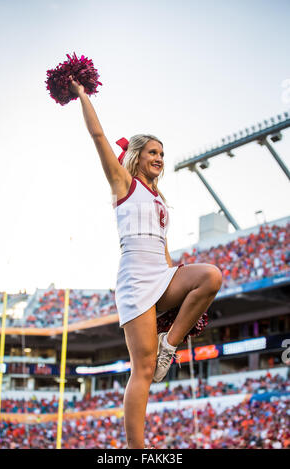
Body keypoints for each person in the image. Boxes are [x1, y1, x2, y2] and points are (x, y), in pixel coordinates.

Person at [69, 76, 223, 449]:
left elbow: (165, 252)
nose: (159, 159)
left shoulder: (160, 200)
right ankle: (137, 450)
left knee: (211, 276)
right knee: (143, 369)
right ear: (137, 156)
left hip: (161, 273)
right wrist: (82, 95)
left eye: (162, 154)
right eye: (153, 152)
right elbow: (99, 137)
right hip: (136, 280)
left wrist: (176, 274)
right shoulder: (124, 184)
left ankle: (169, 344)